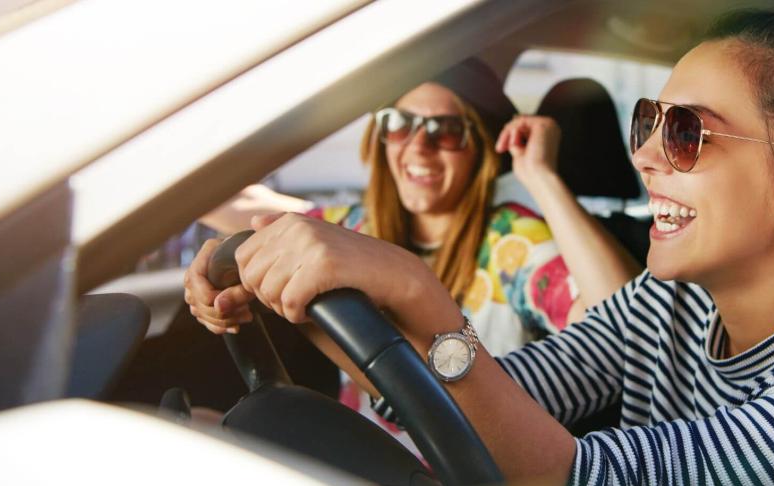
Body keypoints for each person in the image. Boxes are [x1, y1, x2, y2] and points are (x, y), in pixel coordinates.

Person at [185, 0, 774, 486]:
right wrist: (293, 287)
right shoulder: (667, 301)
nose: (643, 154)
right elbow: (477, 392)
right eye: (649, 120)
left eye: (686, 133)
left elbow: (584, 480)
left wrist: (416, 292)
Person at [199, 58, 641, 354]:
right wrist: (215, 275)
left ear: (480, 152)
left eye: (446, 130)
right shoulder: (350, 231)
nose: (419, 147)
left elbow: (626, 326)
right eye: (400, 124)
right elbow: (235, 204)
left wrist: (543, 177)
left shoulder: (510, 243)